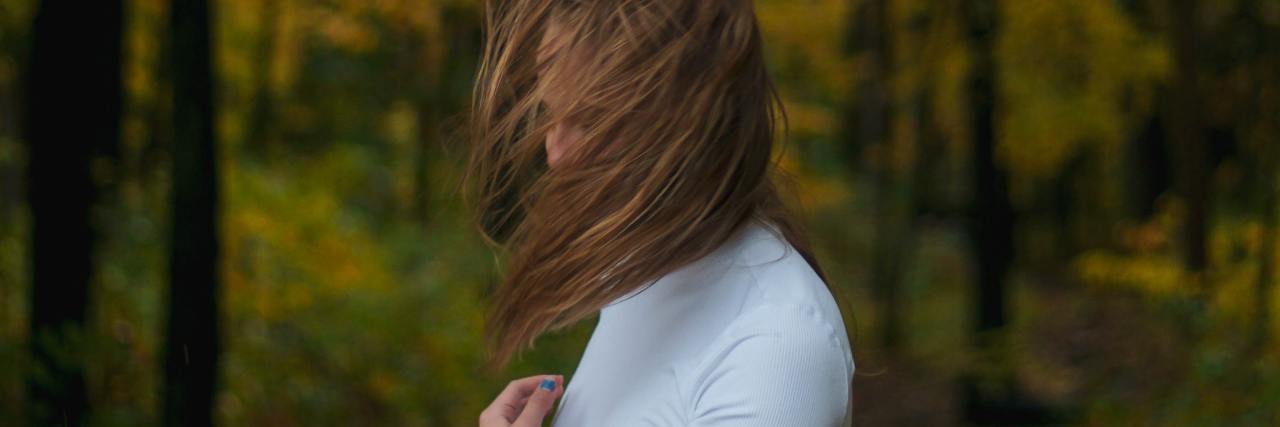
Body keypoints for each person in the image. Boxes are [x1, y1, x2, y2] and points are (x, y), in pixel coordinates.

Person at [466, 1, 856, 425]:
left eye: (590, 122)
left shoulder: (774, 348)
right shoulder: (643, 276)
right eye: (551, 114)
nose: (556, 154)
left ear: (690, 124)